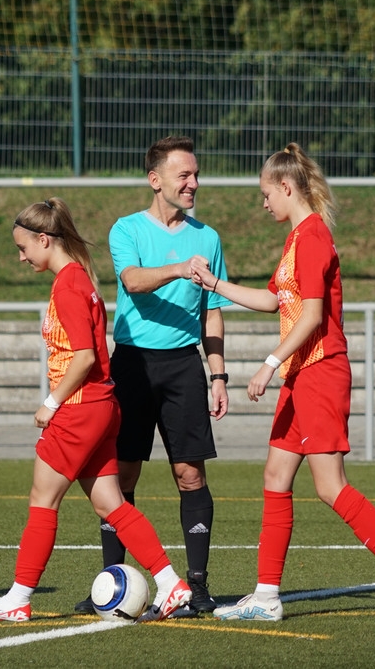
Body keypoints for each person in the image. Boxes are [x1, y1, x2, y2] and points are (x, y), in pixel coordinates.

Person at [190, 144, 375, 623]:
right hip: (302, 374)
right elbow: (273, 300)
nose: (263, 203)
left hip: (320, 371)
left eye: (266, 194)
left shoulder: (313, 237)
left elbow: (311, 316)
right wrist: (214, 284)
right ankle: (266, 596)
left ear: (286, 187)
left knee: (330, 486)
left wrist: (269, 363)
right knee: (275, 477)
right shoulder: (296, 238)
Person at [0, 198, 192, 623]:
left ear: (44, 240)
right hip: (101, 407)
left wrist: (51, 402)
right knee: (111, 505)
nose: (21, 257)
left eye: (23, 248)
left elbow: (85, 356)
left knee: (43, 498)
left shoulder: (69, 284)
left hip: (79, 409)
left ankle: (18, 597)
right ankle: (170, 583)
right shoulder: (79, 279)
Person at [74, 135, 230, 617]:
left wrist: (218, 375)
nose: (193, 183)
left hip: (184, 366)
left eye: (196, 175)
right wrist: (180, 268)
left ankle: (198, 586)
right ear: (155, 179)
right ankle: (113, 583)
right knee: (120, 475)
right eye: (184, 175)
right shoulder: (126, 229)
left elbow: (212, 312)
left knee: (190, 473)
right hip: (133, 365)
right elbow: (133, 281)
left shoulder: (208, 238)